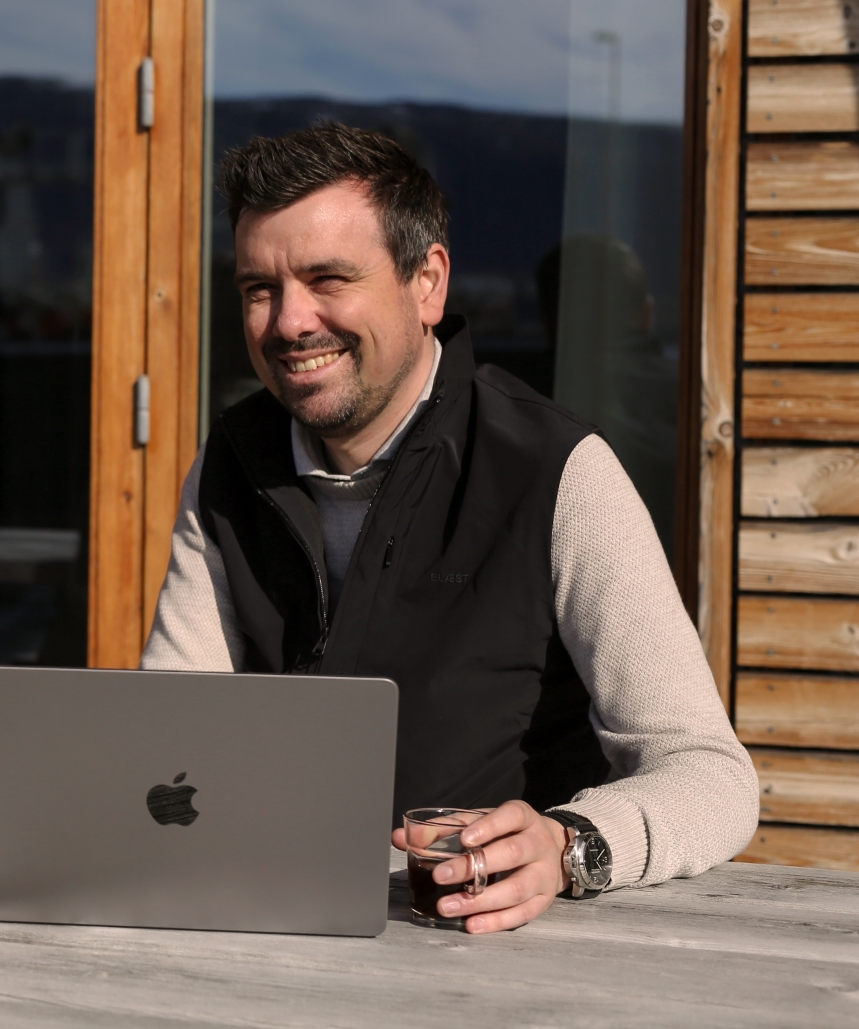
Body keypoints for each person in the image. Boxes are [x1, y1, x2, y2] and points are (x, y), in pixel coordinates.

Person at [144, 122, 757, 934]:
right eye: (260, 288)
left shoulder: (555, 470)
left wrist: (570, 847)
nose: (290, 321)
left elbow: (711, 776)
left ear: (427, 282)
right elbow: (165, 741)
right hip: (267, 926)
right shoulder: (230, 464)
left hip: (487, 956)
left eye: (330, 278)